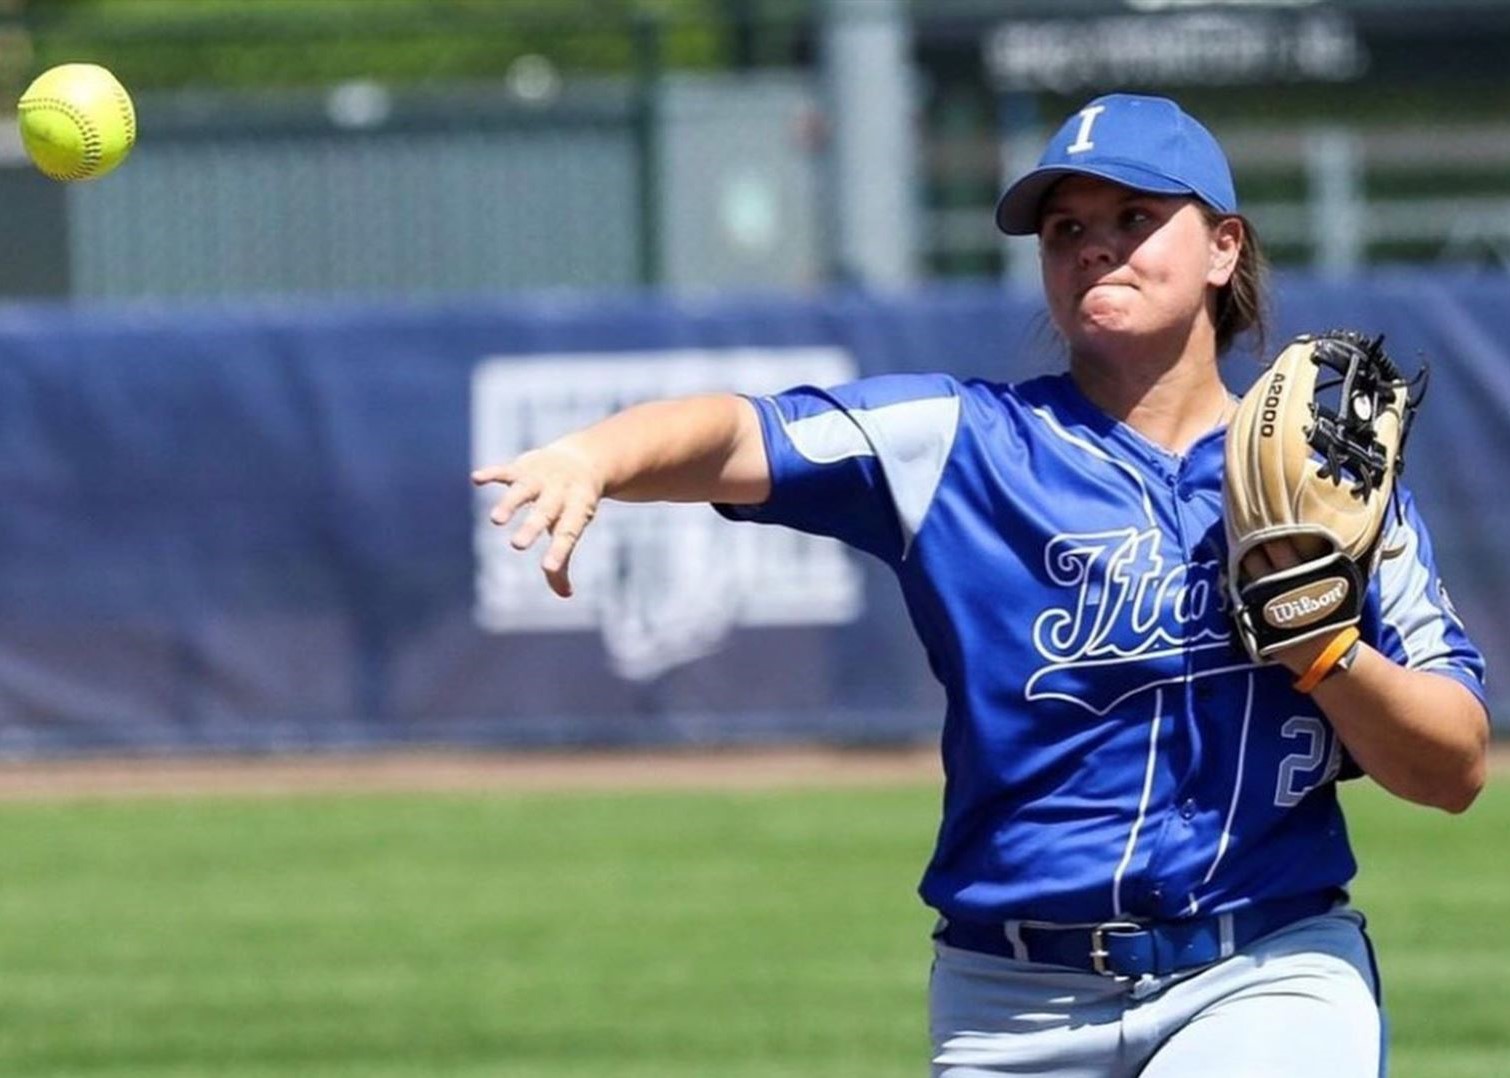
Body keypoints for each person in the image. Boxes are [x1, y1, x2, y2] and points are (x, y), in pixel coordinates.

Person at [472, 93, 1490, 1076]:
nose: (1094, 246)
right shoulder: (961, 443)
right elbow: (743, 433)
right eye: (1065, 228)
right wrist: (593, 456)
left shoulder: (1326, 489)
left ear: (1224, 247)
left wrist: (1327, 653)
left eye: (1134, 217)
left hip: (1263, 966)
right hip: (1013, 998)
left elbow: (1451, 769)